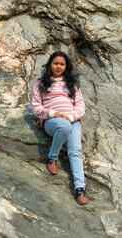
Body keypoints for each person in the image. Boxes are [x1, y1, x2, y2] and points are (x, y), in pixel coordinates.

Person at [31, 51, 89, 205]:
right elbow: (35, 107)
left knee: (76, 151)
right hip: (52, 121)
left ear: (66, 67)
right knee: (63, 126)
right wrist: (52, 113)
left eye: (62, 64)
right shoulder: (41, 84)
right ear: (50, 64)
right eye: (56, 63)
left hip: (72, 121)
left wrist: (70, 117)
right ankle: (52, 157)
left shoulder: (72, 85)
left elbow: (81, 107)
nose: (58, 66)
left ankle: (80, 189)